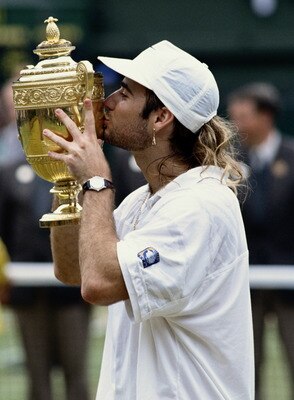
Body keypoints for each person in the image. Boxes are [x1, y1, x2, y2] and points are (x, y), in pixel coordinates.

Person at [46, 40, 254, 399]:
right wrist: (63, 179)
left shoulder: (200, 206)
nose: (108, 101)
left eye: (125, 93)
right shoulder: (142, 201)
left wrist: (96, 181)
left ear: (161, 117)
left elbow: (98, 284)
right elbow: (73, 271)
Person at [0, 83, 91, 400]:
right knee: (36, 376)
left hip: (73, 291)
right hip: (26, 290)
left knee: (76, 372)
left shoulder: (80, 169)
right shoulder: (9, 172)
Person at [227, 82, 294, 399]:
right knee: (245, 371)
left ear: (265, 117)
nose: (235, 126)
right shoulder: (229, 164)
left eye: (242, 117)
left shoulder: (293, 157)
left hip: (289, 285)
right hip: (246, 287)